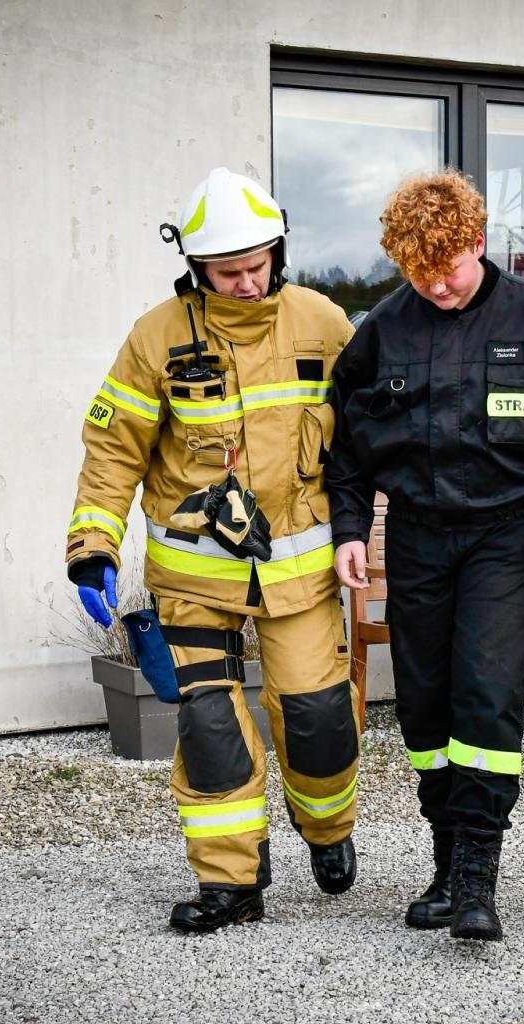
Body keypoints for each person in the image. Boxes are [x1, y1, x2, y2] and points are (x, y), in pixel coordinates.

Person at [65, 167, 359, 934]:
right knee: (212, 731)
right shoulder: (156, 336)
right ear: (196, 269)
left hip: (301, 577)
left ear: (279, 252)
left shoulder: (325, 323)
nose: (247, 282)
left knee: (320, 719)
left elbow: (369, 442)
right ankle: (232, 882)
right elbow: (112, 446)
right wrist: (92, 541)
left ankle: (326, 829)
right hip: (195, 577)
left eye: (259, 263)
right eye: (229, 271)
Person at [326, 170, 524, 941]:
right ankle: (446, 862)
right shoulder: (383, 329)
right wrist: (351, 529)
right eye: (418, 273)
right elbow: (345, 448)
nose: (437, 286)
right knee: (424, 708)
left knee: (485, 693)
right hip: (419, 535)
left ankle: (479, 878)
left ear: (478, 244)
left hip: (512, 536)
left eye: (448, 268)